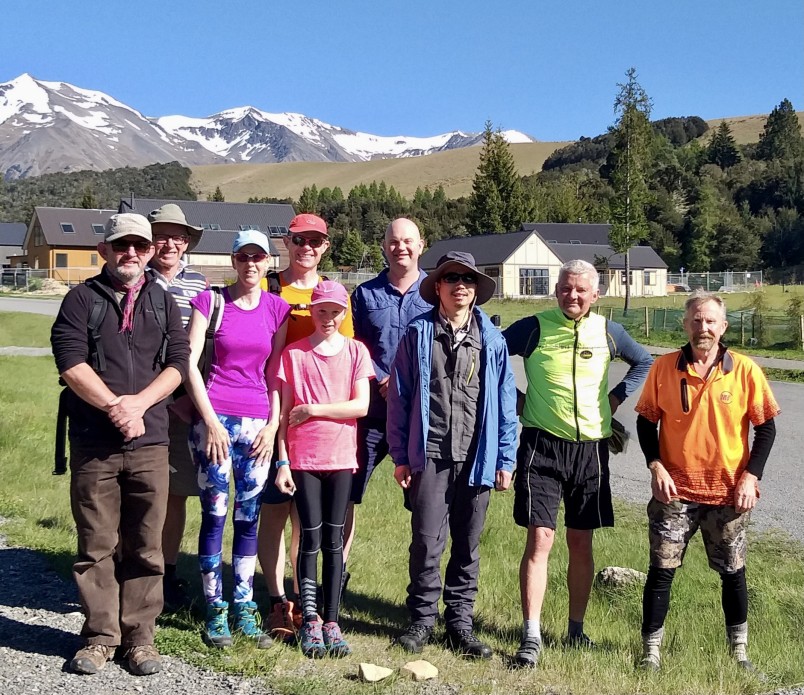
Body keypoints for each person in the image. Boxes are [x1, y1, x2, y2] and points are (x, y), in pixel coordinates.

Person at [51, 213, 190, 676]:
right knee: (96, 545)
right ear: (105, 250)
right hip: (95, 445)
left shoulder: (163, 302)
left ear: (151, 251)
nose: (131, 253)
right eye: (121, 245)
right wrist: (115, 407)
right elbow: (70, 363)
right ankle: (99, 638)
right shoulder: (79, 300)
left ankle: (140, 640)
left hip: (151, 442)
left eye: (140, 246)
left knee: (147, 545)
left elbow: (177, 363)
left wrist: (139, 406)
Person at [502, 259, 652, 668]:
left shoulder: (607, 330)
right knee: (540, 540)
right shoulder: (534, 326)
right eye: (566, 288)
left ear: (595, 295)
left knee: (581, 541)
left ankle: (575, 629)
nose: (573, 296)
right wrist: (515, 401)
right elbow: (492, 353)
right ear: (556, 290)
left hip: (590, 450)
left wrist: (616, 399)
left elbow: (645, 361)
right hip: (541, 446)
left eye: (581, 290)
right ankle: (531, 634)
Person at [634, 291, 779, 672]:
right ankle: (650, 654)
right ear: (685, 325)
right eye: (696, 320)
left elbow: (766, 429)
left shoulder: (745, 370)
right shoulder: (663, 367)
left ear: (723, 327)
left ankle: (740, 655)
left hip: (729, 493)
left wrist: (751, 477)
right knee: (661, 571)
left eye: (711, 321)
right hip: (675, 492)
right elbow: (646, 422)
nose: (703, 327)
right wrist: (655, 467)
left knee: (733, 572)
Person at [388, 251, 517, 660]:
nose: (460, 284)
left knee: (468, 542)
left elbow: (506, 403)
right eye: (451, 278)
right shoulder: (418, 334)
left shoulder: (493, 341)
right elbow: (400, 397)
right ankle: (422, 620)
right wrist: (400, 455)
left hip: (477, 456)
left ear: (476, 289)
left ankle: (460, 623)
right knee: (426, 541)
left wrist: (505, 459)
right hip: (430, 454)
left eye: (468, 278)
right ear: (438, 287)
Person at [185, 229, 290, 648]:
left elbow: (276, 375)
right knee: (215, 513)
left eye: (258, 257)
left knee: (248, 518)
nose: (250, 264)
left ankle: (245, 606)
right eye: (243, 256)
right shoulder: (211, 303)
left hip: (258, 425)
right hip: (215, 422)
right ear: (233, 261)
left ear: (268, 263)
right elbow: (190, 363)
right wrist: (209, 420)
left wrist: (272, 425)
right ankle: (215, 608)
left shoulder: (277, 310)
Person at [257, 213, 355, 641]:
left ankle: (307, 604)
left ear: (326, 246)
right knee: (274, 512)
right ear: (287, 242)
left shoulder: (332, 295)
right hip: (268, 410)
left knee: (308, 522)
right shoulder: (269, 285)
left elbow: (342, 358)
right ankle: (277, 600)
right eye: (299, 240)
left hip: (315, 428)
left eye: (315, 241)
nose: (307, 248)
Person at [274, 280, 373, 658]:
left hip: (342, 458)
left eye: (335, 311)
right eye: (321, 311)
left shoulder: (356, 352)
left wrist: (314, 409)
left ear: (344, 314)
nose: (328, 318)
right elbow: (285, 415)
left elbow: (360, 406)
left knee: (335, 540)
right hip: (303, 459)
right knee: (308, 539)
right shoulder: (294, 356)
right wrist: (282, 460)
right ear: (311, 312)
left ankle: (332, 619)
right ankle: (309, 618)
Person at [344, 218, 430, 577]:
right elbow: (353, 347)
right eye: (393, 242)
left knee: (425, 507)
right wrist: (379, 377)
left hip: (419, 419)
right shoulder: (364, 296)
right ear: (383, 246)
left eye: (408, 241)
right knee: (346, 496)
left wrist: (404, 379)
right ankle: (338, 579)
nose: (401, 248)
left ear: (422, 245)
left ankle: (420, 596)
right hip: (371, 414)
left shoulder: (435, 292)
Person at [145, 203, 207, 611]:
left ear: (186, 243)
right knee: (138, 492)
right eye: (161, 235)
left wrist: (186, 399)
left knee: (176, 494)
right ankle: (134, 572)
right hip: (142, 402)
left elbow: (206, 349)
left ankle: (166, 573)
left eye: (177, 236)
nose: (169, 243)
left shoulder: (201, 285)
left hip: (184, 407)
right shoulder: (133, 278)